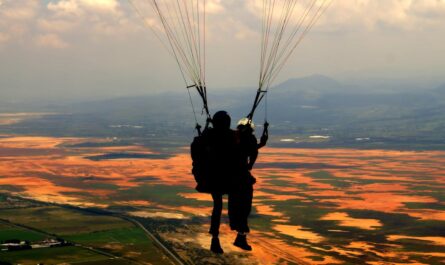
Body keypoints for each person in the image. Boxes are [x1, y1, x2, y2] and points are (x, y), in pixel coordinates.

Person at [193, 111, 238, 254]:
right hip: (224, 177)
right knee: (235, 199)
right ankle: (238, 232)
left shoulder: (208, 135)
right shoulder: (232, 135)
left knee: (218, 205)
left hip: (212, 178)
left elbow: (197, 148)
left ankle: (215, 237)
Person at [229, 118, 268, 251]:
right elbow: (250, 152)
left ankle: (240, 236)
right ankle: (240, 237)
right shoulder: (241, 142)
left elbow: (248, 149)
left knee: (237, 206)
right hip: (240, 179)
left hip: (232, 179)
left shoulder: (234, 139)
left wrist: (260, 144)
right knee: (244, 206)